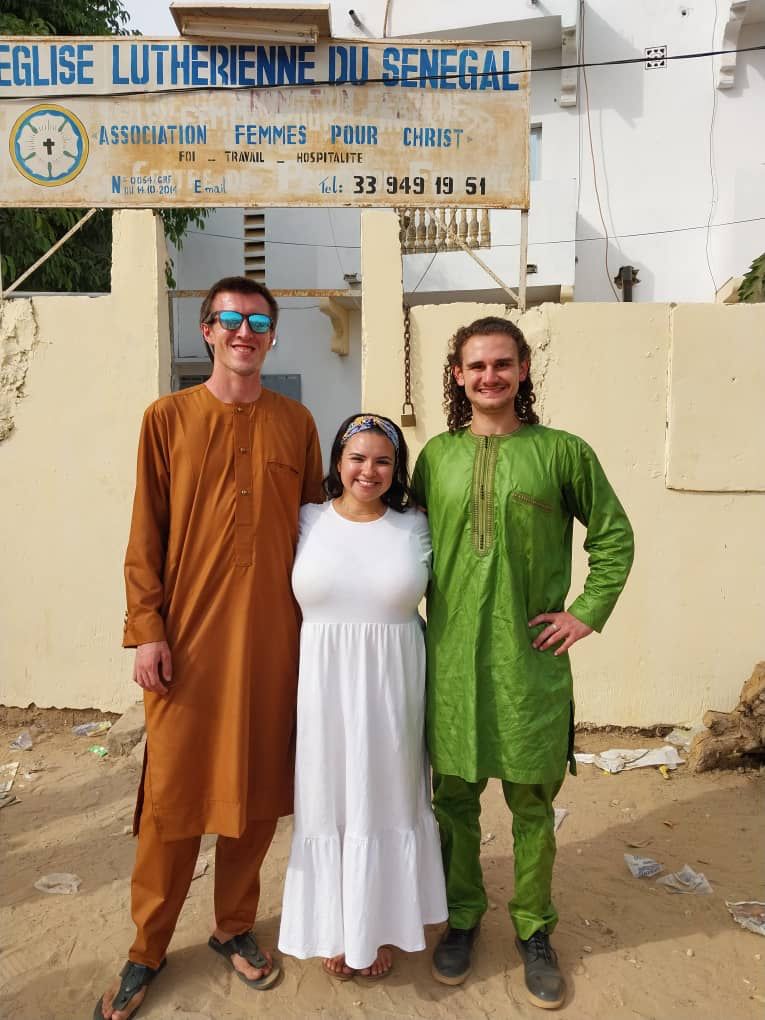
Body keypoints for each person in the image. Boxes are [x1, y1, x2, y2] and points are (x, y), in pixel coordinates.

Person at [94, 277, 323, 1020]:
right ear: (206, 330)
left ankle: (232, 927)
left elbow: (322, 533)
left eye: (257, 321)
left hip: (274, 643)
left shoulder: (297, 423)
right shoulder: (167, 418)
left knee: (255, 795)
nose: (243, 331)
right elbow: (145, 532)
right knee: (172, 800)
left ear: (271, 335)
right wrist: (147, 628)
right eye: (229, 319)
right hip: (186, 644)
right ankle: (146, 948)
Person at [412, 317, 634, 1010]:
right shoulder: (434, 458)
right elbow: (403, 548)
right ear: (456, 374)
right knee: (452, 802)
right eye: (475, 365)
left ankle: (535, 930)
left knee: (532, 805)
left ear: (523, 369)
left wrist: (585, 612)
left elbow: (613, 538)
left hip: (528, 666)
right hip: (448, 666)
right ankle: (465, 916)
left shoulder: (561, 453)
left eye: (501, 364)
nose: (488, 376)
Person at [278, 414, 447, 980]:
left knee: (386, 795)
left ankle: (378, 929)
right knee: (329, 797)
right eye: (357, 457)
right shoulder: (306, 521)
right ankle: (335, 925)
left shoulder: (416, 526)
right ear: (336, 462)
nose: (367, 470)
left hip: (393, 685)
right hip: (323, 683)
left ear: (396, 470)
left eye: (382, 460)